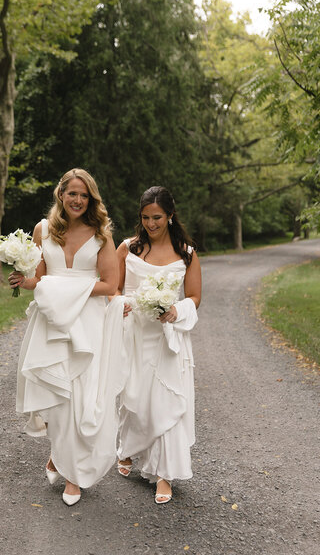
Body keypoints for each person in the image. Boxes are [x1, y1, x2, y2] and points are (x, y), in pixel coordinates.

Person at [9, 168, 119, 506]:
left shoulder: (101, 234)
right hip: (51, 322)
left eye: (84, 195)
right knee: (57, 398)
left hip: (86, 322)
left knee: (80, 396)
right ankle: (60, 454)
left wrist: (63, 289)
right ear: (61, 194)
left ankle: (73, 476)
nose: (77, 200)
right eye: (72, 193)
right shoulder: (43, 229)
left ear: (91, 199)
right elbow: (39, 278)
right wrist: (22, 280)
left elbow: (110, 285)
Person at [114, 186, 201, 504]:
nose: (151, 223)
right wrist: (122, 302)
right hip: (135, 333)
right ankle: (127, 449)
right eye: (146, 218)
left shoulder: (187, 253)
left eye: (158, 218)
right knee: (134, 397)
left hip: (168, 337)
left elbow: (194, 297)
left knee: (165, 400)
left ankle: (164, 473)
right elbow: (113, 288)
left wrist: (177, 310)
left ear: (170, 216)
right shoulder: (127, 249)